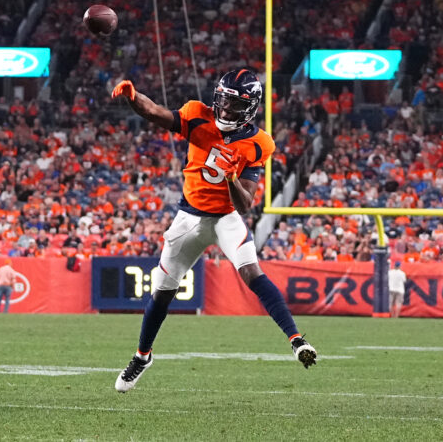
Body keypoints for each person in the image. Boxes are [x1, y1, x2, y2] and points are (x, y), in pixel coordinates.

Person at [111, 69, 317, 393]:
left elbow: (246, 202)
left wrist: (230, 176)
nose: (223, 109)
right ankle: (142, 355)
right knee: (162, 293)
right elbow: (155, 112)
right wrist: (133, 97)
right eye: (222, 100)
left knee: (252, 273)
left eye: (233, 104)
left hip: (226, 218)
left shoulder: (259, 143)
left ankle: (296, 341)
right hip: (188, 217)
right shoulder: (197, 115)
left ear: (249, 108)